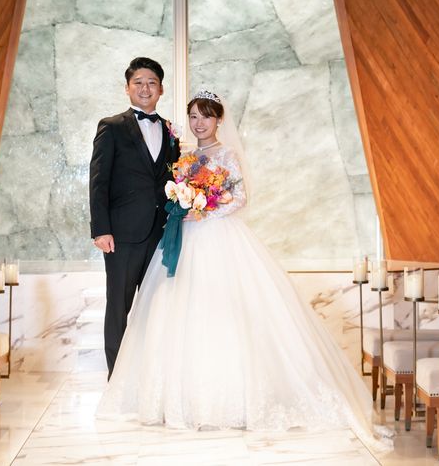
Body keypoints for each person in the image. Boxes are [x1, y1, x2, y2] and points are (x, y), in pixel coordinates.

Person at [96, 89, 392, 451]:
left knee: (226, 314)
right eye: (194, 116)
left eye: (206, 116)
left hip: (218, 236)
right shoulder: (184, 155)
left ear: (219, 119)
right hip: (184, 237)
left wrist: (203, 209)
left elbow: (240, 198)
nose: (199, 123)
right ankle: (177, 397)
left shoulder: (227, 154)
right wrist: (184, 203)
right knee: (179, 312)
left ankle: (229, 398)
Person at [89, 57, 181, 379]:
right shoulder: (112, 127)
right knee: (119, 307)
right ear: (127, 88)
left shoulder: (170, 131)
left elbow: (173, 179)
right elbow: (98, 181)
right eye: (138, 82)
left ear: (161, 89)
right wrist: (101, 230)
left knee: (155, 308)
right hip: (122, 236)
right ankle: (116, 380)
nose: (145, 88)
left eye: (152, 83)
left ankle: (150, 377)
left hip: (160, 233)